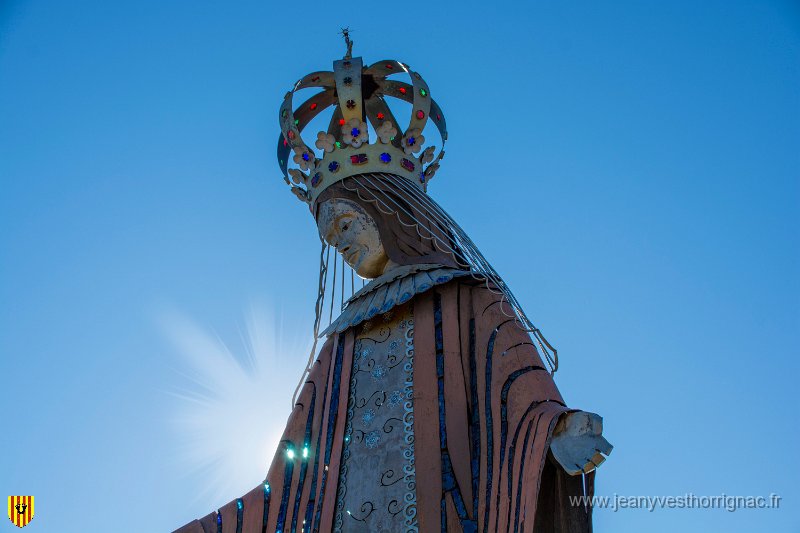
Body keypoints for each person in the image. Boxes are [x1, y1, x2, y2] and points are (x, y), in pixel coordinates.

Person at [175, 49, 611, 533]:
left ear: (389, 212)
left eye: (346, 223)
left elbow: (520, 395)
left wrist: (557, 431)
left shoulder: (466, 297)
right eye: (331, 237)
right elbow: (287, 487)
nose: (342, 244)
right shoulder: (340, 344)